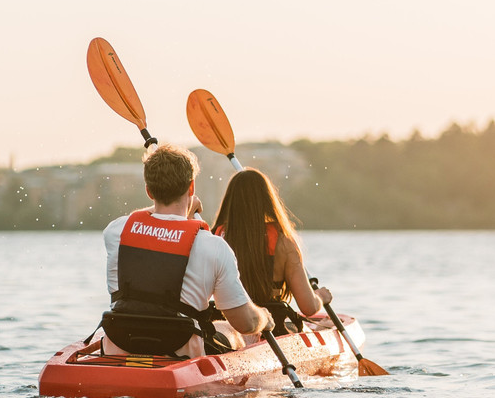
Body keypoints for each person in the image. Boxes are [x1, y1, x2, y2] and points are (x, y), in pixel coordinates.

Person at [98, 143, 275, 358]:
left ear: (148, 190)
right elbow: (246, 323)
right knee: (230, 329)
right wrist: (264, 318)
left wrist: (184, 208)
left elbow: (143, 219)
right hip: (178, 350)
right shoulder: (214, 247)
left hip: (121, 343)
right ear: (191, 187)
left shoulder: (115, 231)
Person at [211, 168, 332, 333]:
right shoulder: (284, 243)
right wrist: (321, 297)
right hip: (273, 327)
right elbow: (308, 307)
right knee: (324, 325)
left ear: (230, 201)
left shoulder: (214, 239)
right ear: (268, 200)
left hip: (228, 324)